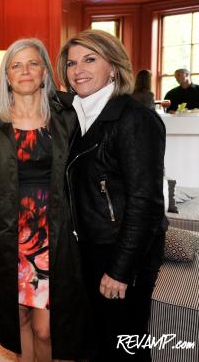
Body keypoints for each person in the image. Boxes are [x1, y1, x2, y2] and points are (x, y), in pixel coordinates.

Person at [57, 29, 166, 361]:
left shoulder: (135, 119)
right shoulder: (82, 116)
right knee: (102, 342)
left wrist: (120, 269)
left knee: (126, 347)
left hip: (121, 252)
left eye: (90, 59)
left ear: (114, 67)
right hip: (93, 248)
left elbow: (145, 202)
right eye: (72, 63)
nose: (79, 70)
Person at [0, 38, 92, 362]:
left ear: (45, 70)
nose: (25, 71)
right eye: (16, 65)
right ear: (6, 76)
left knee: (47, 328)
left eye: (32, 63)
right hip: (8, 234)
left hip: (55, 233)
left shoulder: (69, 114)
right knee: (17, 320)